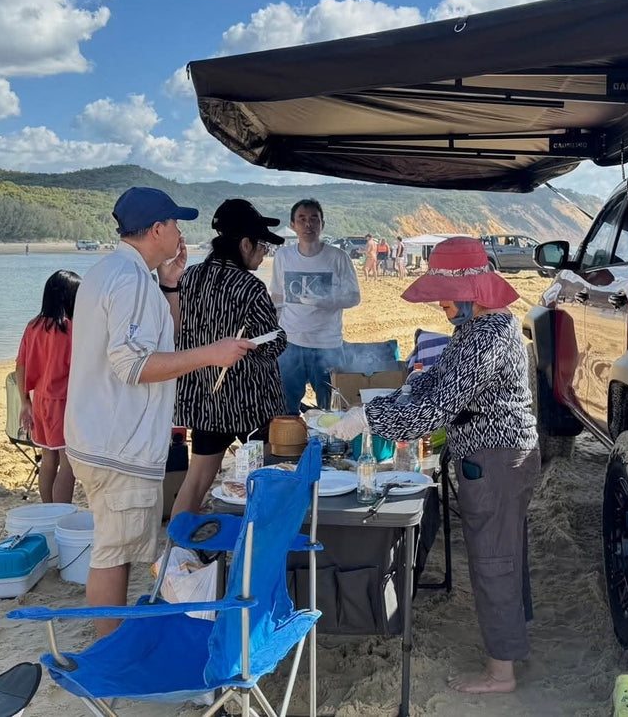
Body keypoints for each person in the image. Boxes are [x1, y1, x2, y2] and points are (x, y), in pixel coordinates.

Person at [324, 237, 538, 694]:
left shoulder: (488, 336)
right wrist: (395, 396)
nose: (441, 303)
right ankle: (512, 644)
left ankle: (501, 672)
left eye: (445, 292)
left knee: (494, 561)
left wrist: (369, 417)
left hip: (497, 458)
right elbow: (436, 382)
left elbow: (434, 409)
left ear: (473, 292)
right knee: (503, 555)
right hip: (498, 454)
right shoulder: (478, 330)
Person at [66, 186, 257, 638]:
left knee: (117, 546)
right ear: (156, 229)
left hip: (100, 434)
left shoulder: (119, 272)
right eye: (174, 223)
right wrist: (212, 353)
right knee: (112, 554)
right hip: (117, 441)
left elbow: (159, 342)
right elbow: (133, 365)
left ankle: (112, 641)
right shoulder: (129, 279)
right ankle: (109, 649)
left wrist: (171, 284)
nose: (180, 231)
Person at [172, 199, 287, 518]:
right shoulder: (250, 287)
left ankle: (175, 552)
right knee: (264, 477)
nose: (264, 252)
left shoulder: (188, 278)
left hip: (204, 398)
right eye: (261, 245)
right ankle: (256, 543)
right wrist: (281, 334)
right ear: (244, 244)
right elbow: (270, 343)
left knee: (195, 481)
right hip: (251, 402)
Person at [270, 199, 361, 414]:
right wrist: (273, 333)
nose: (308, 224)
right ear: (293, 224)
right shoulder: (283, 256)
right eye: (302, 219)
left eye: (314, 219)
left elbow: (354, 297)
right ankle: (290, 445)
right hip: (291, 342)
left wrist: (329, 301)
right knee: (285, 405)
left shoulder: (338, 257)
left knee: (331, 407)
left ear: (322, 224)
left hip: (328, 343)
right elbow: (277, 296)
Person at [15, 269, 81, 504]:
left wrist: (25, 402)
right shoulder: (70, 329)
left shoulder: (33, 326)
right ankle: (60, 512)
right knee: (68, 464)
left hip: (40, 401)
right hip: (63, 402)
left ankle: (47, 508)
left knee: (48, 459)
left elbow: (20, 366)